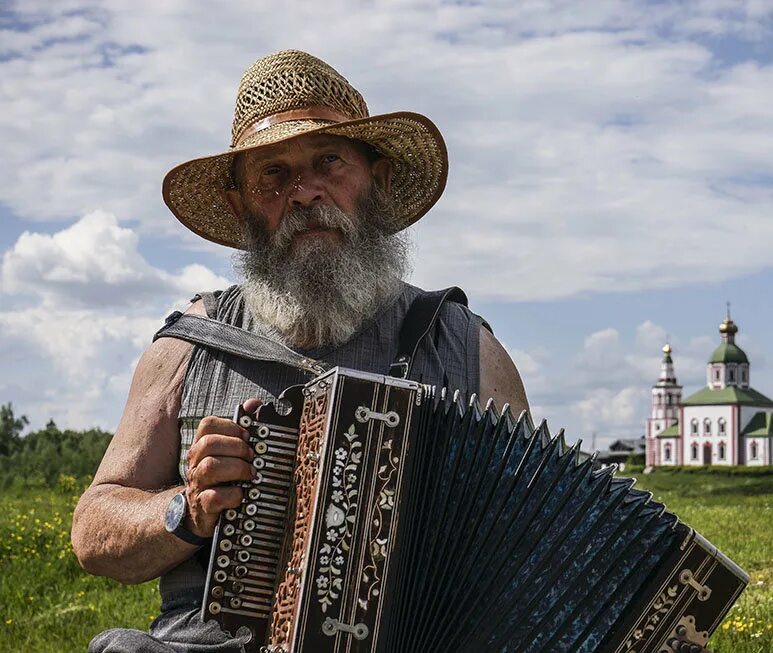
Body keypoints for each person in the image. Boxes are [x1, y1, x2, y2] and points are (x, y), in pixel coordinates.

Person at [71, 50, 530, 652]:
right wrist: (189, 507)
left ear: (380, 181)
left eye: (328, 162)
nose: (304, 191)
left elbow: (531, 549)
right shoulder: (188, 347)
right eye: (272, 174)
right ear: (241, 205)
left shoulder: (468, 349)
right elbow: (94, 528)